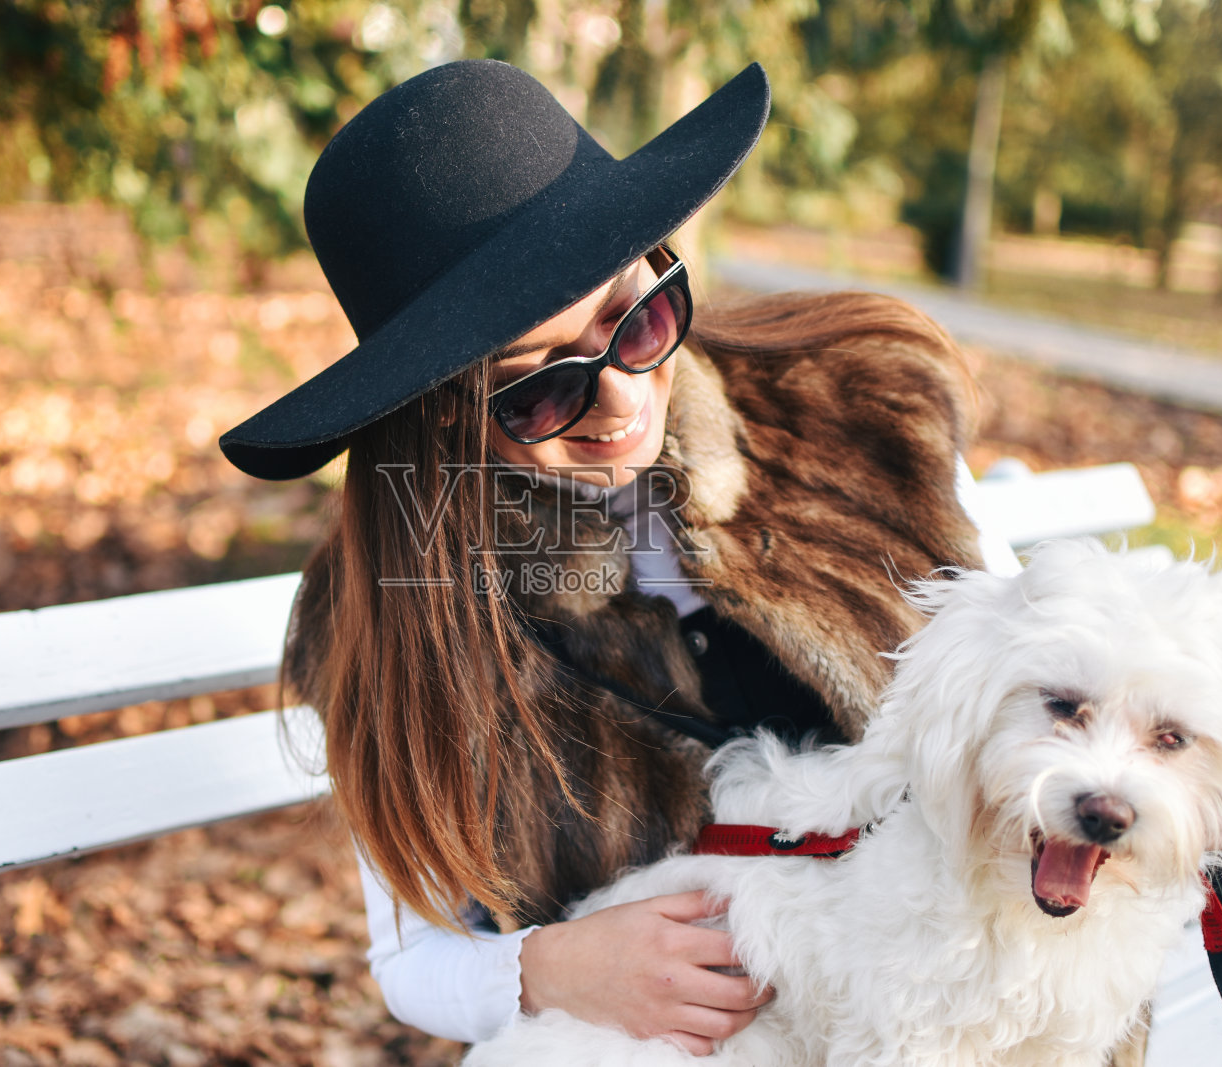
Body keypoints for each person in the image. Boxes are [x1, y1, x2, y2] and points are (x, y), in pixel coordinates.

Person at [220, 59, 1009, 1053]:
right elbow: (410, 957)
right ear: (439, 413)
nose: (622, 400)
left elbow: (1045, 682)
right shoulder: (387, 605)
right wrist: (547, 967)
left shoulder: (858, 410)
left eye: (638, 319)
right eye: (539, 389)